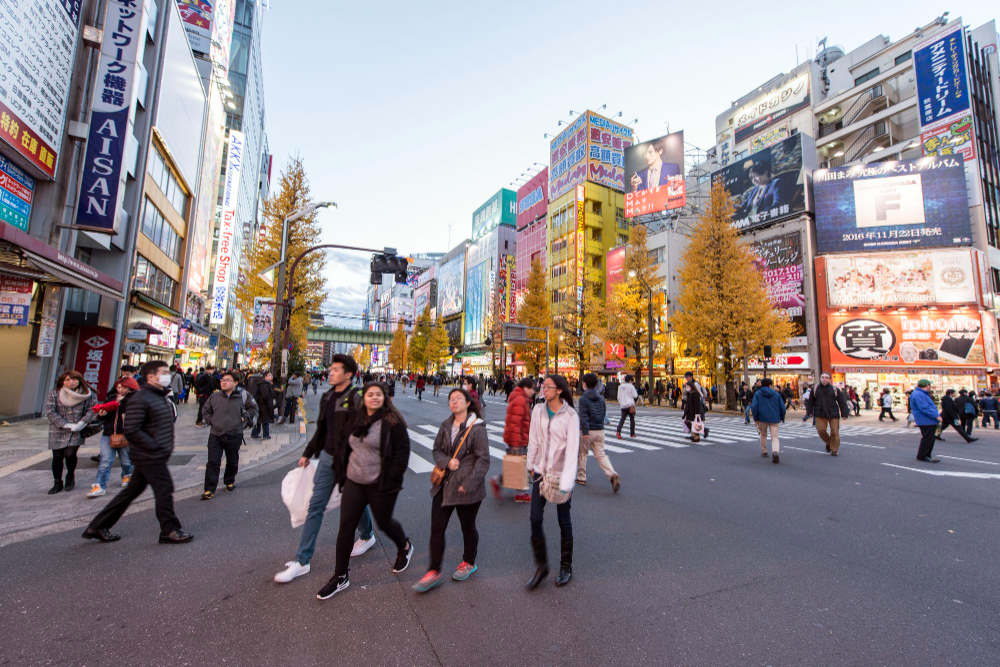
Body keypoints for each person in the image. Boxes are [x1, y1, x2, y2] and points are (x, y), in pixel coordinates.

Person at [274, 355, 377, 584]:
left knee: (353, 504)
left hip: (350, 462)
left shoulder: (356, 397)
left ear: (348, 374)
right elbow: (321, 429)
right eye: (331, 369)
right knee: (316, 505)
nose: (331, 372)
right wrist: (307, 453)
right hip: (328, 459)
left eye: (336, 369)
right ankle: (302, 561)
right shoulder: (328, 396)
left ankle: (368, 535)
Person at [316, 382, 413, 601]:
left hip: (380, 483)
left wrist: (391, 479)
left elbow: (402, 454)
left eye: (378, 394)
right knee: (346, 527)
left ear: (385, 398)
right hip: (354, 481)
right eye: (370, 394)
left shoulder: (392, 422)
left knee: (384, 522)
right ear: (365, 397)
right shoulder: (356, 418)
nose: (374, 398)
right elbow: (344, 445)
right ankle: (340, 576)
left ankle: (404, 546)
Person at [82, 361, 193, 544]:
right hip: (149, 455)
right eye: (163, 372)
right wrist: (155, 446)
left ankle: (98, 526)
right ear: (151, 377)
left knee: (130, 492)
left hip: (153, 454)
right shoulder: (141, 398)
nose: (167, 375)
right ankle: (170, 529)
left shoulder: (160, 396)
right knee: (164, 489)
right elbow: (132, 429)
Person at [412, 388, 491, 593]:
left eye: (458, 399)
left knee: (468, 527)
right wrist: (447, 462)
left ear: (467, 403)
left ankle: (469, 561)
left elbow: (483, 461)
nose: (454, 402)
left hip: (467, 488)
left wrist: (470, 483)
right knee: (437, 528)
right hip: (444, 485)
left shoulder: (477, 429)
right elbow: (436, 449)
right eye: (451, 399)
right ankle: (434, 570)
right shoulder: (446, 425)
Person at [526, 375, 580, 590]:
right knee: (534, 519)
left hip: (560, 476)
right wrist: (530, 465)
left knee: (563, 520)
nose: (543, 389)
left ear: (559, 390)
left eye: (548, 386)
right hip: (540, 473)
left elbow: (573, 451)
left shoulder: (570, 416)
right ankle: (541, 566)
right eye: (543, 386)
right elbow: (533, 439)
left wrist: (566, 483)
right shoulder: (538, 410)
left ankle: (566, 566)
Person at [200, 371, 257, 499]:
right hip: (216, 434)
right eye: (222, 380)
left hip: (234, 434)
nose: (224, 382)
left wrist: (245, 419)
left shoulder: (243, 395)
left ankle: (229, 480)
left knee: (232, 461)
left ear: (235, 383)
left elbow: (253, 408)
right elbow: (205, 410)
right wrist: (211, 421)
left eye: (228, 380)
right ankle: (209, 489)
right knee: (213, 462)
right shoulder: (215, 396)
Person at [45, 370, 98, 494]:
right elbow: (50, 411)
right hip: (57, 429)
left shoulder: (88, 394)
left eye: (74, 379)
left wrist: (82, 423)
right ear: (62, 381)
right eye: (67, 380)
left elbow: (92, 410)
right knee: (57, 456)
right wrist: (64, 424)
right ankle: (57, 482)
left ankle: (70, 476)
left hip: (77, 429)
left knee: (70, 454)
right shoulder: (54, 394)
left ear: (79, 380)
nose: (71, 382)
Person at [86, 377, 139, 498]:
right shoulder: (111, 398)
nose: (120, 390)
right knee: (105, 461)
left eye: (124, 387)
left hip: (125, 435)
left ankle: (127, 475)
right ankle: (99, 486)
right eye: (119, 387)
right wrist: (102, 414)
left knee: (126, 461)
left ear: (131, 387)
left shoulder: (136, 399)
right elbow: (104, 414)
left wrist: (122, 402)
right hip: (109, 434)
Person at [489, 377, 535, 503]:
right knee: (520, 465)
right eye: (532, 388)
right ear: (526, 388)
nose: (533, 391)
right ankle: (520, 493)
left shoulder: (519, 398)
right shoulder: (520, 400)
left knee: (516, 465)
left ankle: (498, 480)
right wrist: (515, 442)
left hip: (517, 437)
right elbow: (516, 423)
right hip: (518, 438)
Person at [577, 373, 620, 492]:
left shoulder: (583, 398)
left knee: (583, 454)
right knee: (600, 454)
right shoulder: (601, 398)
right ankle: (611, 474)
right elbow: (603, 413)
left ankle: (582, 476)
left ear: (585, 384)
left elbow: (584, 416)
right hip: (600, 430)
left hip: (588, 430)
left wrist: (584, 431)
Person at [806, 373, 850, 456]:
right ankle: (829, 442)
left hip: (833, 413)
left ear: (829, 379)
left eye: (826, 377)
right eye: (822, 377)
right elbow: (811, 401)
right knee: (821, 430)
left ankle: (834, 449)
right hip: (820, 412)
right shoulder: (815, 389)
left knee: (834, 432)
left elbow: (841, 402)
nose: (824, 379)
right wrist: (810, 412)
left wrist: (844, 414)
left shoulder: (835, 389)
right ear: (820, 378)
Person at [750, 378, 785, 463]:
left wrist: (756, 418)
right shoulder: (776, 395)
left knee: (763, 434)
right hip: (775, 418)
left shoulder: (758, 394)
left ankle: (764, 450)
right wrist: (781, 417)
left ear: (762, 384)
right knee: (775, 436)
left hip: (762, 418)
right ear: (770, 385)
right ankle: (775, 452)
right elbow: (782, 407)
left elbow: (754, 406)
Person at [910, 379, 942, 463]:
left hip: (926, 419)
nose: (930, 387)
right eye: (930, 385)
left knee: (928, 438)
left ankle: (925, 455)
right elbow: (924, 408)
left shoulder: (919, 393)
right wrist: (936, 416)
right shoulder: (919, 394)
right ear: (927, 386)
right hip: (926, 420)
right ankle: (924, 455)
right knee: (928, 438)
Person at [682, 372, 709, 441]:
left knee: (694, 422)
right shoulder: (690, 392)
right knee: (689, 421)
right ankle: (693, 434)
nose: (686, 378)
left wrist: (697, 413)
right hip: (690, 408)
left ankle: (699, 434)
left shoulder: (695, 389)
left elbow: (697, 403)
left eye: (687, 377)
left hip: (695, 409)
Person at [250, 371, 275, 440]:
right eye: (269, 375)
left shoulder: (264, 384)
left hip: (260, 404)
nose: (271, 376)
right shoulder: (265, 384)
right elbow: (264, 396)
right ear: (265, 377)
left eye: (271, 375)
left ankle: (254, 433)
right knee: (265, 420)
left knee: (259, 419)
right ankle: (266, 435)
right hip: (263, 405)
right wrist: (267, 403)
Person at [616, 374, 638, 439]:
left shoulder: (620, 387)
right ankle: (632, 433)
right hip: (630, 404)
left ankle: (618, 431)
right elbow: (635, 395)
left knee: (622, 419)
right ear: (630, 380)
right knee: (632, 419)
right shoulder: (631, 386)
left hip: (623, 405)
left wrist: (621, 402)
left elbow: (618, 397)